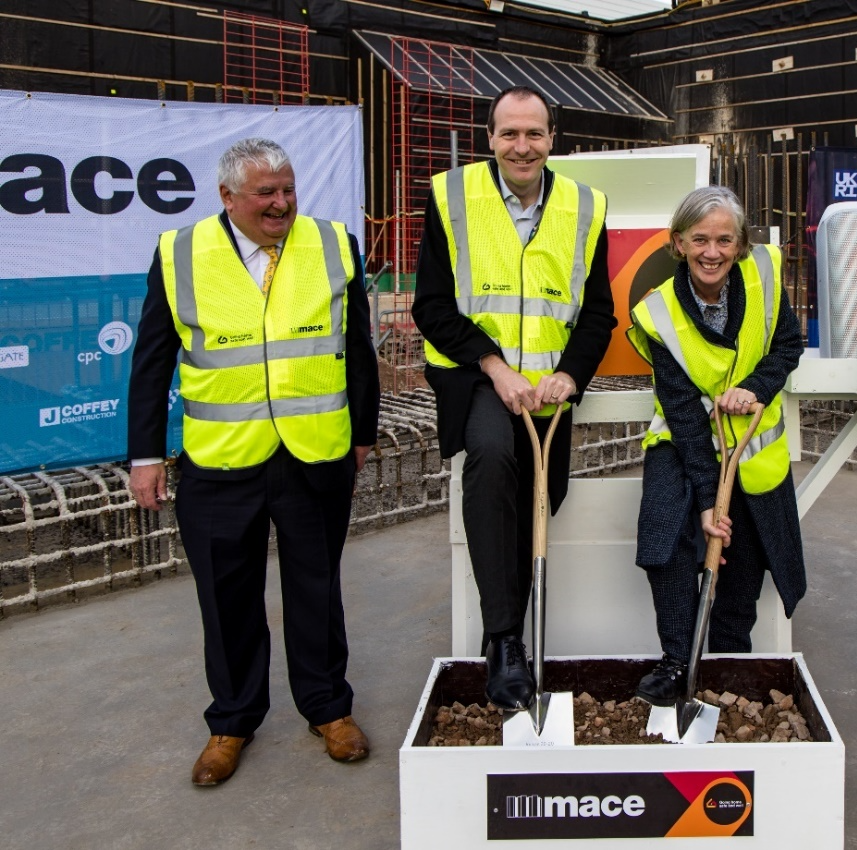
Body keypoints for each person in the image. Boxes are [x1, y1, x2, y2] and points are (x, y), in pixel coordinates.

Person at [128, 138, 380, 786]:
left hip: (315, 454)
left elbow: (357, 347)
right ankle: (233, 719)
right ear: (227, 196)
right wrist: (146, 455)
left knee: (316, 590)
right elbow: (152, 361)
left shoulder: (332, 244)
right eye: (266, 192)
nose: (282, 203)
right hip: (219, 462)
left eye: (289, 189)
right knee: (225, 595)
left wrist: (363, 432)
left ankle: (327, 707)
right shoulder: (180, 254)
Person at [411, 85, 615, 710]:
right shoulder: (450, 196)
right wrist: (495, 367)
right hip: (476, 376)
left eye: (533, 133)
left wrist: (570, 376)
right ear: (490, 138)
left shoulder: (586, 206)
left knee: (540, 497)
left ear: (553, 138)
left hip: (550, 389)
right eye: (509, 133)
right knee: (494, 459)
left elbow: (597, 314)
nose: (521, 146)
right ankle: (504, 641)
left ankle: (510, 637)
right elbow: (432, 307)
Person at [626, 186, 805, 704]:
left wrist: (757, 386)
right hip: (683, 441)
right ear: (678, 242)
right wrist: (707, 499)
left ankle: (727, 659)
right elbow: (681, 410)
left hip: (749, 440)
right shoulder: (658, 312)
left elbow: (788, 343)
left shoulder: (764, 276)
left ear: (741, 243)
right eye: (700, 239)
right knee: (668, 538)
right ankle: (678, 659)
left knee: (744, 551)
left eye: (724, 240)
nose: (712, 252)